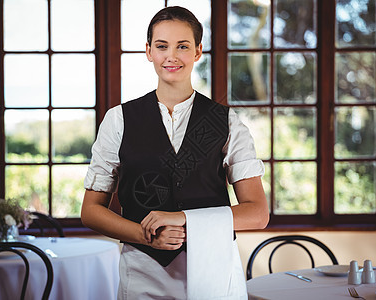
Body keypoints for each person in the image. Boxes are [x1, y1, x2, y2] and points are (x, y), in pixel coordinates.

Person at [81, 6, 269, 299]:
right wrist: (146, 235)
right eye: (161, 46)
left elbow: (257, 213)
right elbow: (91, 211)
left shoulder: (227, 121)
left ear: (197, 52)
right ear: (148, 51)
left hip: (214, 270)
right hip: (144, 272)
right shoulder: (118, 120)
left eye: (182, 46)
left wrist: (183, 218)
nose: (172, 56)